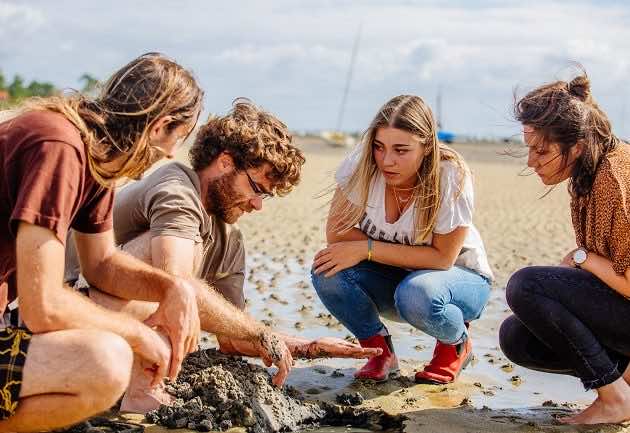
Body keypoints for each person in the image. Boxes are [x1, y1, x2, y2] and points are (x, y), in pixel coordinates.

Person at [0, 53, 292, 432]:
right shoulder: (58, 145)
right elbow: (45, 305)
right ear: (160, 126)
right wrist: (139, 336)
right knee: (105, 363)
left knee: (111, 354)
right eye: (176, 138)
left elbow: (102, 265)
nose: (171, 154)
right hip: (25, 319)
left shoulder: (95, 163)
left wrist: (173, 289)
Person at [64, 98, 380, 413]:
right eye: (257, 188)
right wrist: (262, 333)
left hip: (113, 339)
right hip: (65, 321)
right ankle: (142, 392)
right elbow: (174, 283)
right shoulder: (176, 186)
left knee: (192, 290)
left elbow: (232, 337)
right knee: (175, 281)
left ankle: (134, 382)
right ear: (226, 162)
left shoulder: (230, 241)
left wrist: (307, 346)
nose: (258, 205)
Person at [311, 95, 493, 384]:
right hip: (399, 278)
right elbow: (337, 234)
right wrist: (364, 252)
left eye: (401, 150)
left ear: (426, 147)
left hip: (458, 281)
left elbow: (442, 258)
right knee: (327, 269)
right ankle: (379, 352)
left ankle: (456, 344)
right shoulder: (362, 164)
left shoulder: (450, 174)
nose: (387, 160)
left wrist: (366, 248)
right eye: (379, 147)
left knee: (418, 291)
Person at [499, 72, 630, 425]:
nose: (531, 161)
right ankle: (621, 384)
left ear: (578, 146)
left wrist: (583, 259)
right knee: (517, 337)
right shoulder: (591, 172)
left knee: (526, 285)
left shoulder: (614, 181)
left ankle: (616, 398)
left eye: (541, 150)